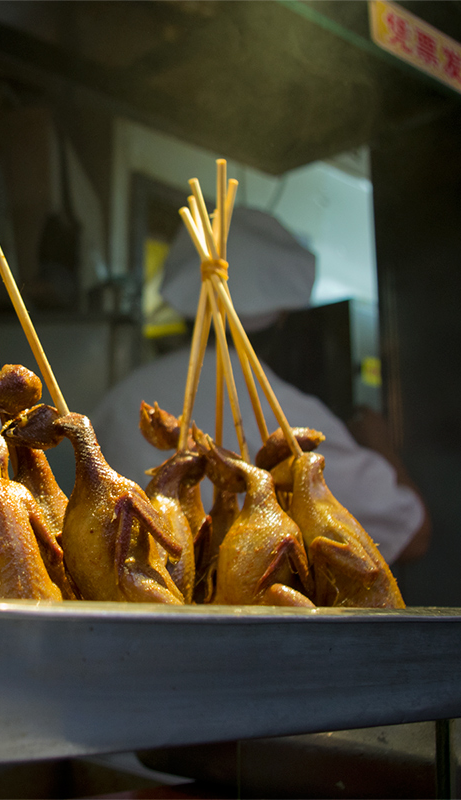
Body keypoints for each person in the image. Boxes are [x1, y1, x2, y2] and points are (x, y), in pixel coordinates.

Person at [91, 208, 430, 564]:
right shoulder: (287, 416)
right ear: (281, 315)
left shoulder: (122, 398)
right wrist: (378, 439)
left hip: (122, 615)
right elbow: (411, 533)